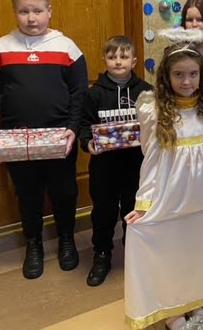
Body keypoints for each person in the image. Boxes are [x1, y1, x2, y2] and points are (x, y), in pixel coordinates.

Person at [124, 44, 203, 329]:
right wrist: (144, 204)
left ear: (202, 76)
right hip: (171, 197)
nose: (187, 81)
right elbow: (151, 161)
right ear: (166, 77)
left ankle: (193, 299)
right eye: (179, 74)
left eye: (193, 74)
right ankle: (173, 311)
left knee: (198, 249)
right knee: (171, 251)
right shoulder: (155, 111)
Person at [0, 0, 88, 280]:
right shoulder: (0, 48)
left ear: (49, 11)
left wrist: (73, 128)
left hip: (60, 139)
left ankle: (66, 239)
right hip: (16, 141)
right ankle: (34, 244)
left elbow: (79, 93)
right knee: (28, 194)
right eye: (24, 11)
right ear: (15, 12)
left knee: (65, 192)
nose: (31, 18)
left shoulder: (66, 47)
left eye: (37, 11)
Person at [78, 36, 152, 286]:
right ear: (104, 60)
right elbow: (84, 125)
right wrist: (87, 142)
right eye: (112, 57)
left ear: (134, 61)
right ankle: (102, 254)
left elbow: (155, 124)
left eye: (123, 56)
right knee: (103, 213)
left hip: (137, 167)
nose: (118, 61)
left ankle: (135, 253)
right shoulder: (94, 94)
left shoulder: (146, 92)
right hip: (104, 168)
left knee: (134, 211)